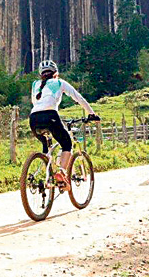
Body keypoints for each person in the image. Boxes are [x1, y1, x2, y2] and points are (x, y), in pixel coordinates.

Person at [29, 60, 99, 190]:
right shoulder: (60, 82)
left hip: (33, 119)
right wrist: (91, 114)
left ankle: (47, 174)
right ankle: (61, 172)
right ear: (56, 73)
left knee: (46, 146)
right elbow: (78, 98)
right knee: (67, 144)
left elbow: (36, 103)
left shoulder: (35, 84)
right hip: (51, 116)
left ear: (41, 74)